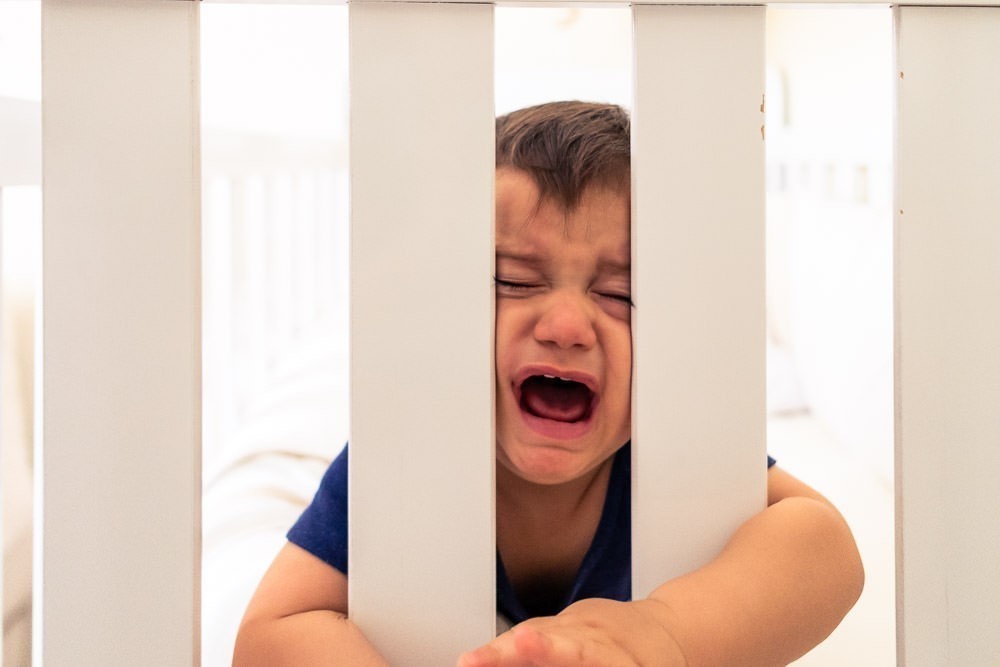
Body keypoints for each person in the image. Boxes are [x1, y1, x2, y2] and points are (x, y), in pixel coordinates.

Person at [233, 101, 864, 666]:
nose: (567, 326)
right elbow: (271, 634)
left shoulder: (674, 453)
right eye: (511, 279)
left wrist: (660, 635)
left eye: (621, 293)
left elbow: (824, 546)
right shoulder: (404, 457)